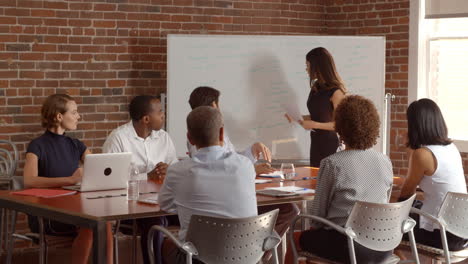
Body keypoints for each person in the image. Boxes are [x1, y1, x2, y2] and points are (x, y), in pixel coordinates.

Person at [187, 86, 299, 249]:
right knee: (286, 209)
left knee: (289, 209)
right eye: (219, 105)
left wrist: (252, 151)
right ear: (213, 106)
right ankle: (258, 253)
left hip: (225, 214)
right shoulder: (201, 137)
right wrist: (251, 169)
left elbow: (231, 158)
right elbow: (219, 168)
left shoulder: (219, 132)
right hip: (219, 206)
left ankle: (257, 253)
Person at [286, 95, 394, 264]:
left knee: (295, 238)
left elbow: (316, 218)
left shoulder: (332, 163)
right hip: (384, 245)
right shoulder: (384, 161)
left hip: (350, 246)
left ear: (340, 127)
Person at [159, 106, 258, 263]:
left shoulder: (178, 171)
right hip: (247, 256)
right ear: (221, 133)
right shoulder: (245, 165)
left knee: (166, 244)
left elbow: (165, 205)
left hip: (199, 258)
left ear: (189, 138)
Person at [23, 94, 113, 264]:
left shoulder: (76, 144)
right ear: (59, 116)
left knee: (103, 222)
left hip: (74, 210)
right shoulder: (37, 145)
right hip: (47, 215)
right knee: (91, 223)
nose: (78, 116)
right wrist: (69, 180)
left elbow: (101, 168)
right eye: (74, 112)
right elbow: (29, 181)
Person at [102, 95, 179, 264]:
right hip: (129, 208)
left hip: (161, 201)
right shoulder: (118, 138)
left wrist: (169, 170)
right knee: (156, 221)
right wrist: (147, 176)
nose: (163, 115)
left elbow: (176, 170)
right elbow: (109, 180)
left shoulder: (164, 137)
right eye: (160, 112)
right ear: (146, 119)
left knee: (194, 213)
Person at [399, 98, 467, 251]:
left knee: (387, 224)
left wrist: (409, 148)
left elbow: (406, 195)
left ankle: (397, 259)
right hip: (462, 231)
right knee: (414, 207)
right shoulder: (451, 148)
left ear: (414, 125)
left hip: (442, 235)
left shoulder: (422, 154)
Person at [286, 47, 346, 167]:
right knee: (316, 179)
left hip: (330, 145)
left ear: (317, 66)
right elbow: (318, 116)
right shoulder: (316, 89)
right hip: (316, 143)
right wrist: (298, 118)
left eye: (308, 65)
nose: (306, 69)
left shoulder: (336, 92)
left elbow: (341, 124)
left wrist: (314, 125)